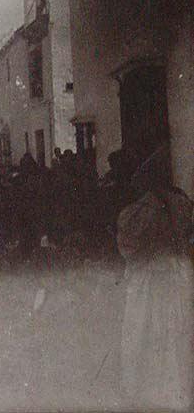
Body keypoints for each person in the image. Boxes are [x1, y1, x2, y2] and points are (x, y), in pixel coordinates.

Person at [117, 144, 193, 410]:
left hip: (150, 282)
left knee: (145, 336)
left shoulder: (141, 210)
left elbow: (127, 247)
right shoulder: (182, 202)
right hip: (178, 278)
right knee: (175, 336)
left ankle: (150, 396)